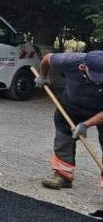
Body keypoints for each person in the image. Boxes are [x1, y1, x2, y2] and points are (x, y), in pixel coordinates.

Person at [35, 50, 103, 189]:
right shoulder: (70, 61)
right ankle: (63, 175)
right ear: (83, 67)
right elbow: (47, 58)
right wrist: (43, 76)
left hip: (100, 109)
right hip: (72, 106)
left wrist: (86, 124)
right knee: (63, 138)